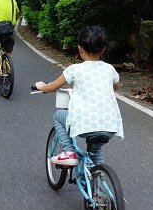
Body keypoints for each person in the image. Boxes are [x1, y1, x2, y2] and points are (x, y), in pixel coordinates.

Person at [34, 25, 123, 167]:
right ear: (103, 48)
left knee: (58, 116)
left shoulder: (75, 70)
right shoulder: (109, 69)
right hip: (110, 124)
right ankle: (96, 180)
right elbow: (117, 86)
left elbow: (52, 87)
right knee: (96, 150)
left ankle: (68, 152)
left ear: (80, 48)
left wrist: (40, 86)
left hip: (86, 123)